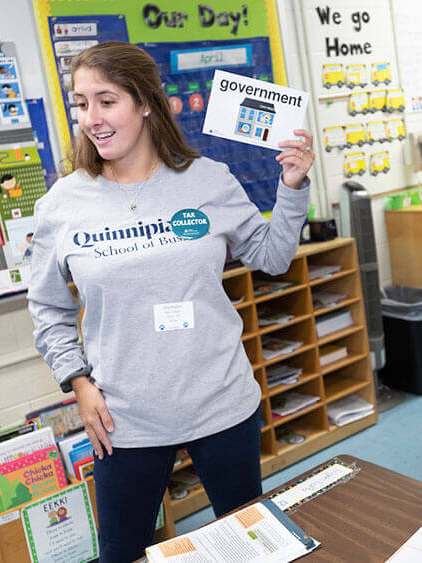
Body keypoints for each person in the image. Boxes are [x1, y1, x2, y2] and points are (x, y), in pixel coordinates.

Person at [27, 41, 315, 561]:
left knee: (249, 547)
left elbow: (272, 257)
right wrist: (77, 380)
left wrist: (291, 188)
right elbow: (48, 307)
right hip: (123, 417)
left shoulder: (208, 181)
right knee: (120, 552)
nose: (92, 117)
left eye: (106, 100)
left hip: (221, 402)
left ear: (144, 103)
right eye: (81, 102)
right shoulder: (62, 204)